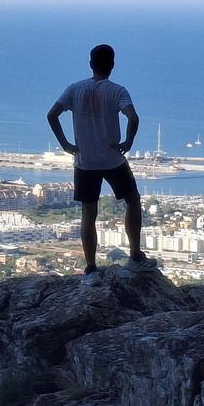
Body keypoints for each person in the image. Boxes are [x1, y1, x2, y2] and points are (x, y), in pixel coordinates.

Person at [47, 43, 157, 285]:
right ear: (113, 65)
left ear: (90, 64)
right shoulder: (118, 91)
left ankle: (91, 268)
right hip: (112, 158)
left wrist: (65, 144)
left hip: (85, 161)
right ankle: (135, 255)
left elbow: (52, 114)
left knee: (89, 212)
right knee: (133, 200)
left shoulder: (75, 89)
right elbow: (133, 116)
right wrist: (128, 140)